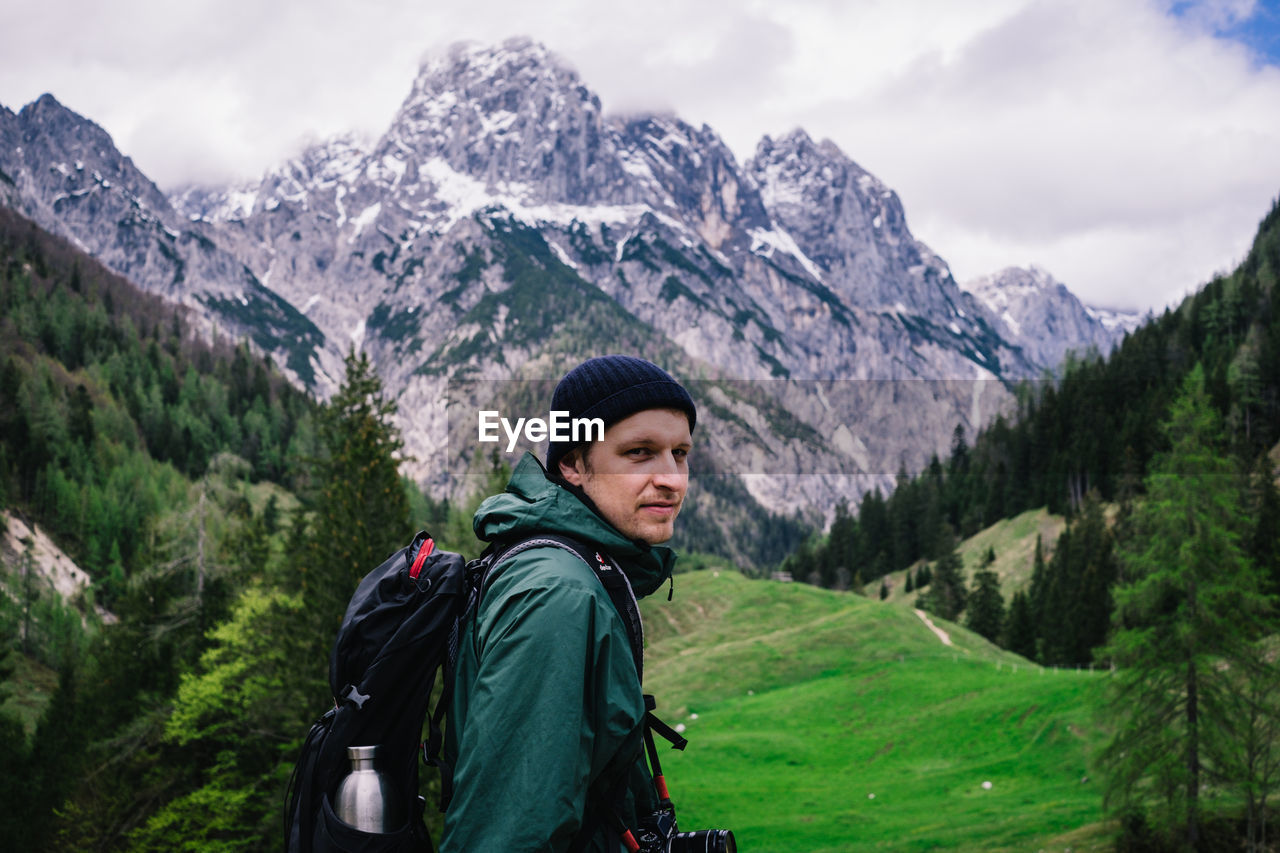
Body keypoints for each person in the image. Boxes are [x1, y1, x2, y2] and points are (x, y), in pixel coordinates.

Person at [440, 355, 697, 852]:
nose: (673, 479)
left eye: (680, 453)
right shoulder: (559, 595)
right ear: (572, 464)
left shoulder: (574, 572)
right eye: (640, 452)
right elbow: (506, 837)